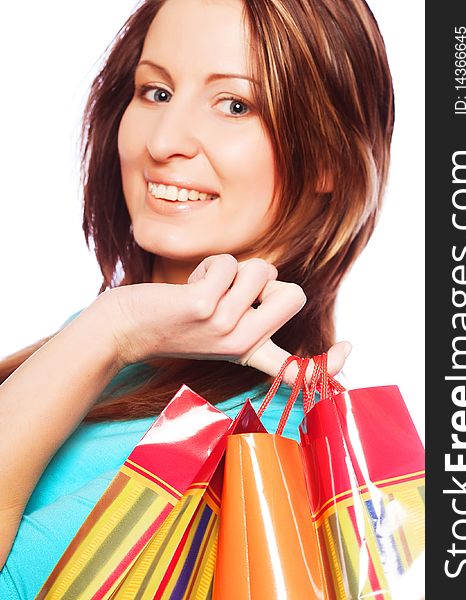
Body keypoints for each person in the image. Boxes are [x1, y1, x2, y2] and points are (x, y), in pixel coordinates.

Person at [0, 0, 394, 595]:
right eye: (155, 92)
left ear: (329, 158)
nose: (163, 141)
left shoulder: (249, 444)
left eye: (236, 105)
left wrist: (111, 331)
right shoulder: (100, 342)